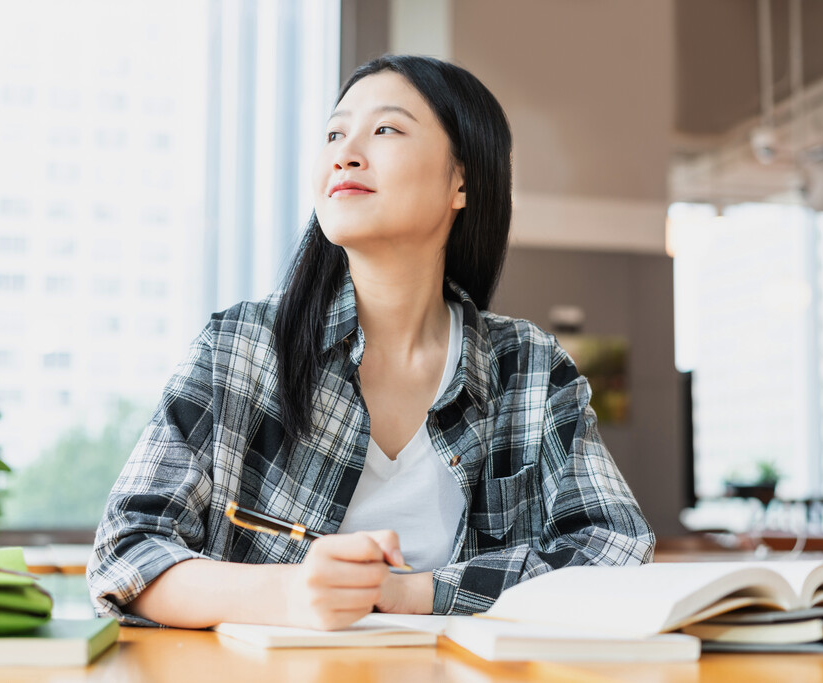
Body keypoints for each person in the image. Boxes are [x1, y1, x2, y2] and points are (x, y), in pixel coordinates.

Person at [87, 55, 654, 631]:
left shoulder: (530, 369)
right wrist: (291, 593)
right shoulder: (238, 347)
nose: (345, 152)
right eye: (334, 133)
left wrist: (411, 592)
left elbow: (616, 549)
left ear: (462, 181)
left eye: (385, 129)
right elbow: (127, 553)